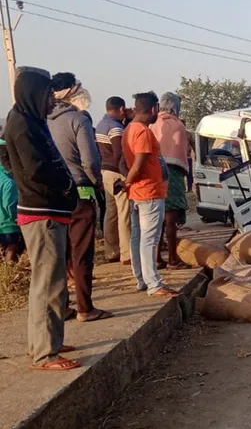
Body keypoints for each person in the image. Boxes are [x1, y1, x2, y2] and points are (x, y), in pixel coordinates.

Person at [5, 67, 80, 370]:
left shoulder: (29, 120)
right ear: (35, 93)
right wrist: (63, 186)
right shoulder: (22, 125)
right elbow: (36, 168)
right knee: (51, 282)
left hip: (47, 209)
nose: (53, 98)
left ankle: (45, 342)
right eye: (49, 93)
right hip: (42, 211)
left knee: (45, 280)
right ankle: (46, 353)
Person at [47, 73, 113, 323]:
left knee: (59, 255)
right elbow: (90, 161)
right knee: (82, 253)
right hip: (80, 192)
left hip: (52, 195)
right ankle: (86, 307)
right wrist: (97, 184)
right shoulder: (79, 119)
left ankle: (62, 306)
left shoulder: (42, 120)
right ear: (72, 93)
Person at [120, 92, 179, 297]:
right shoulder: (143, 132)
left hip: (138, 192)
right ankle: (154, 284)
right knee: (149, 239)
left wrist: (128, 184)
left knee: (137, 237)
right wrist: (128, 181)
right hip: (148, 192)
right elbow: (139, 164)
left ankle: (141, 279)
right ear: (153, 109)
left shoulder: (129, 129)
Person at [150, 92, 191, 270]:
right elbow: (184, 151)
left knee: (157, 218)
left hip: (154, 172)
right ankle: (173, 259)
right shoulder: (178, 125)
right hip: (172, 173)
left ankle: (157, 258)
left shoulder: (152, 124)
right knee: (170, 219)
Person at [96, 97, 131, 265]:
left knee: (111, 213)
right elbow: (119, 154)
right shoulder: (116, 127)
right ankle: (127, 253)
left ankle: (111, 251)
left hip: (105, 172)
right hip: (117, 173)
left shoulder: (102, 124)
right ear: (121, 109)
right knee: (124, 213)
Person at [0, 136, 22, 262]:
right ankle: (10, 270)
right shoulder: (9, 182)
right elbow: (10, 205)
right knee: (11, 249)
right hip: (8, 225)